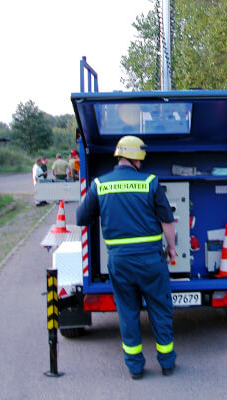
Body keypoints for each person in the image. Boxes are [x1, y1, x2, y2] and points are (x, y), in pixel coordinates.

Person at [76, 135, 177, 380]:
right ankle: (166, 363)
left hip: (119, 262)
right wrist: (171, 248)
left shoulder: (100, 184)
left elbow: (80, 218)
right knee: (160, 309)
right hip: (151, 260)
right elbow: (167, 221)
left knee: (128, 312)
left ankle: (135, 368)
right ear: (137, 158)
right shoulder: (150, 182)